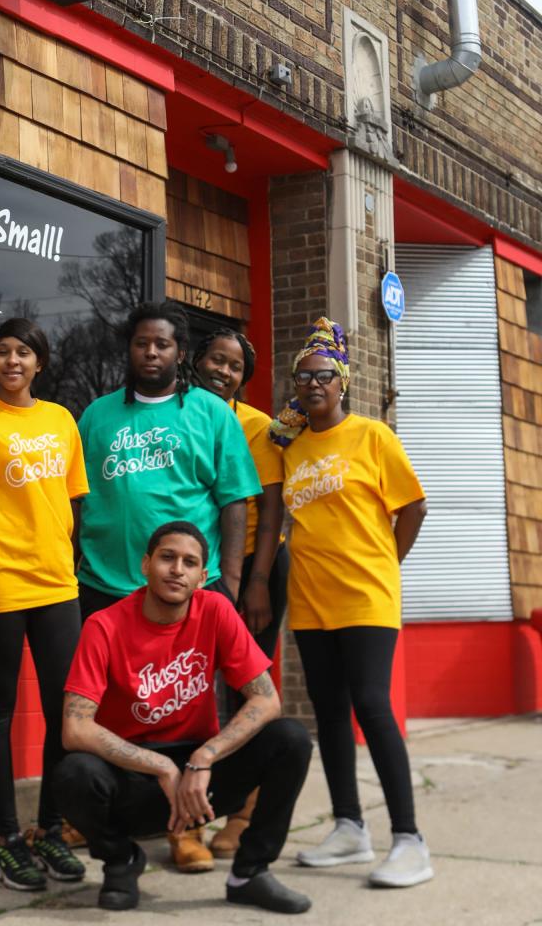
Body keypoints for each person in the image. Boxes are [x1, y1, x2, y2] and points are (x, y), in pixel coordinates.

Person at [76, 301, 261, 872]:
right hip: (103, 582)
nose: (151, 353)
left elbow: (234, 500)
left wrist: (226, 583)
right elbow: (74, 498)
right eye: (141, 344)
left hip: (186, 591)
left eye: (162, 344)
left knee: (183, 707)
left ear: (180, 353)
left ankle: (187, 829)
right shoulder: (96, 417)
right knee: (108, 713)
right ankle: (102, 819)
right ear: (128, 350)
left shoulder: (212, 414)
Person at [55, 520, 313, 916]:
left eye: (189, 562)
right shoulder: (104, 625)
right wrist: (161, 767)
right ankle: (121, 861)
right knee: (73, 772)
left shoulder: (215, 610)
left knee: (291, 739)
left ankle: (250, 873)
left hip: (200, 777)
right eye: (167, 557)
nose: (177, 569)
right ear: (145, 565)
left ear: (201, 576)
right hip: (134, 777)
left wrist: (204, 757)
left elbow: (266, 700)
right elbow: (75, 728)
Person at [270, 317, 431, 889]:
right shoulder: (289, 449)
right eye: (303, 377)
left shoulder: (372, 436)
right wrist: (280, 428)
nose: (313, 385)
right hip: (311, 598)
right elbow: (278, 493)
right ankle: (348, 826)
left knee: (371, 705)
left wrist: (387, 562)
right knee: (329, 712)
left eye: (324, 376)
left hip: (366, 595)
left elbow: (413, 507)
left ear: (343, 383)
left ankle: (410, 839)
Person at [0, 318, 88, 891]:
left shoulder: (60, 420)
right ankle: (7, 840)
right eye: (2, 352)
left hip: (56, 583)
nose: (12, 361)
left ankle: (50, 829)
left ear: (40, 363)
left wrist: (66, 559)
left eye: (23, 352)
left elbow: (73, 501)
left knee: (65, 710)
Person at [192, 327, 287, 860]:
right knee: (196, 690)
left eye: (234, 367)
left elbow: (270, 508)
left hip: (256, 564)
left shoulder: (258, 427)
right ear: (196, 360)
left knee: (246, 690)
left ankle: (245, 813)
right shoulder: (180, 414)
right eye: (215, 359)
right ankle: (192, 809)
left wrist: (254, 583)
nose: (223, 371)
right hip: (200, 569)